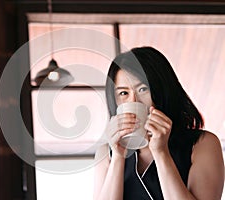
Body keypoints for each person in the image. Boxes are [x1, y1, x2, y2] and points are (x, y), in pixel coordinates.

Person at [93, 46, 224, 200]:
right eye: (123, 93)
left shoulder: (203, 144)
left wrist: (161, 152)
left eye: (143, 89)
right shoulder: (106, 153)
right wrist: (117, 157)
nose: (133, 101)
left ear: (162, 89)